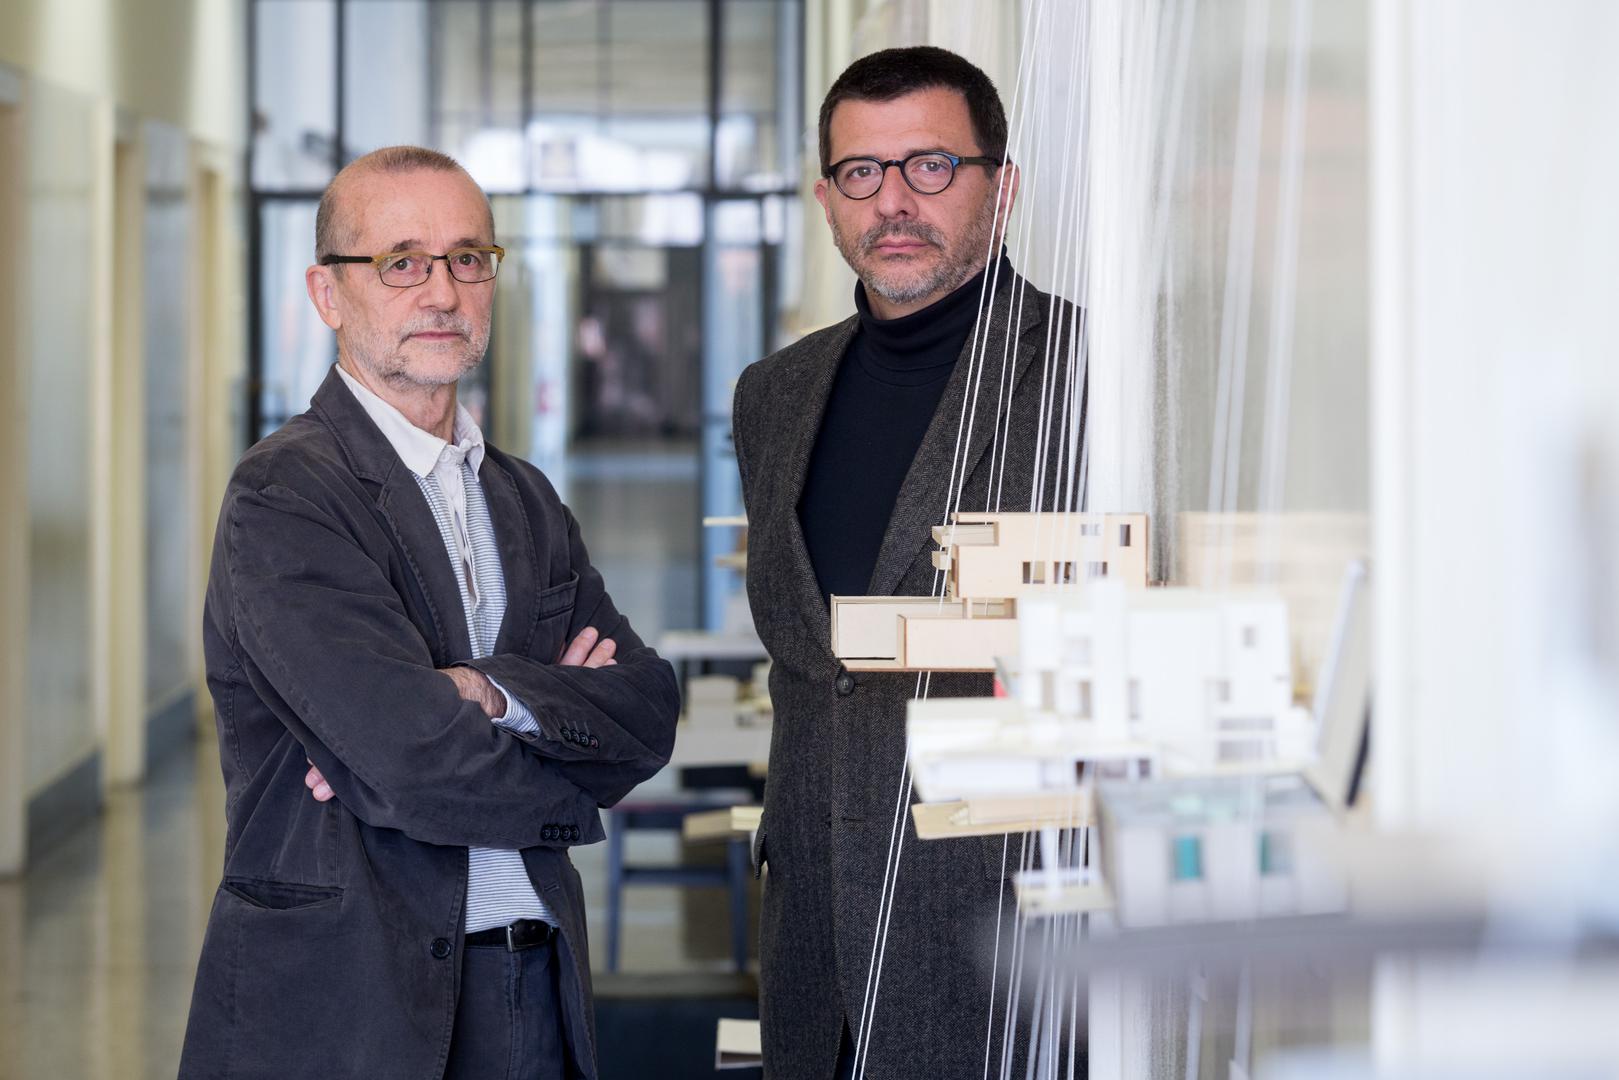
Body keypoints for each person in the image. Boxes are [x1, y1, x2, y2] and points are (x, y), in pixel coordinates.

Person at [179, 145, 679, 1080]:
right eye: (401, 262)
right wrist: (566, 765)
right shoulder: (286, 495)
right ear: (328, 293)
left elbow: (647, 711)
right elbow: (411, 760)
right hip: (352, 1001)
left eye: (467, 258)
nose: (442, 292)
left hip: (535, 980)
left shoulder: (523, 497)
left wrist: (486, 694)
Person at [732, 47, 1084, 1078]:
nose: (892, 201)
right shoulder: (774, 394)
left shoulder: (1084, 375)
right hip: (811, 940)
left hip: (995, 938)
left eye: (930, 166)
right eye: (860, 172)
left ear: (1001, 187)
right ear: (825, 199)